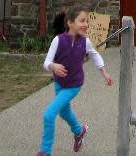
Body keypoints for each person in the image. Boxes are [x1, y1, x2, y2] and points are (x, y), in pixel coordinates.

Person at [37, 8, 113, 156]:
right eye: (82, 21)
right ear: (70, 23)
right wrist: (53, 66)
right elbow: (46, 62)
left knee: (49, 114)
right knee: (64, 112)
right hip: (59, 84)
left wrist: (105, 72)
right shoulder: (58, 40)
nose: (86, 24)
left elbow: (95, 56)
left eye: (87, 22)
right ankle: (79, 131)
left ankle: (45, 151)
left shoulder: (86, 42)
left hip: (74, 85)